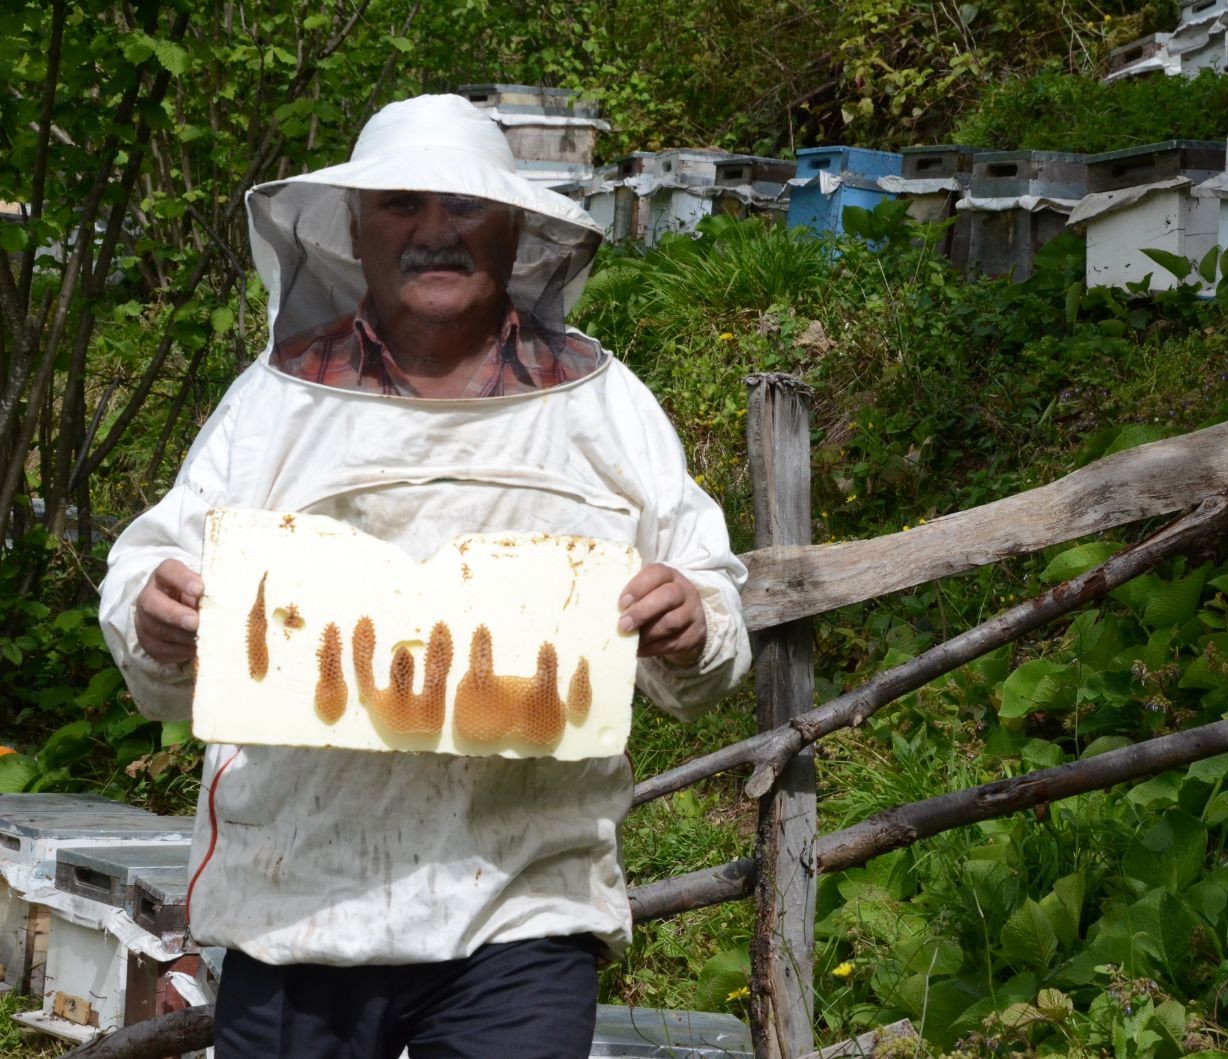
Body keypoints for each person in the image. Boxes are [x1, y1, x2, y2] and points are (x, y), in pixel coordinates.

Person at [98, 94, 751, 1058]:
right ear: (354, 230)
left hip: (523, 902)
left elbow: (708, 613)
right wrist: (155, 611)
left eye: (464, 207)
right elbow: (152, 578)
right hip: (299, 902)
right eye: (402, 205)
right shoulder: (271, 407)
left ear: (516, 227)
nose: (435, 234)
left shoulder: (604, 410)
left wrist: (690, 621)